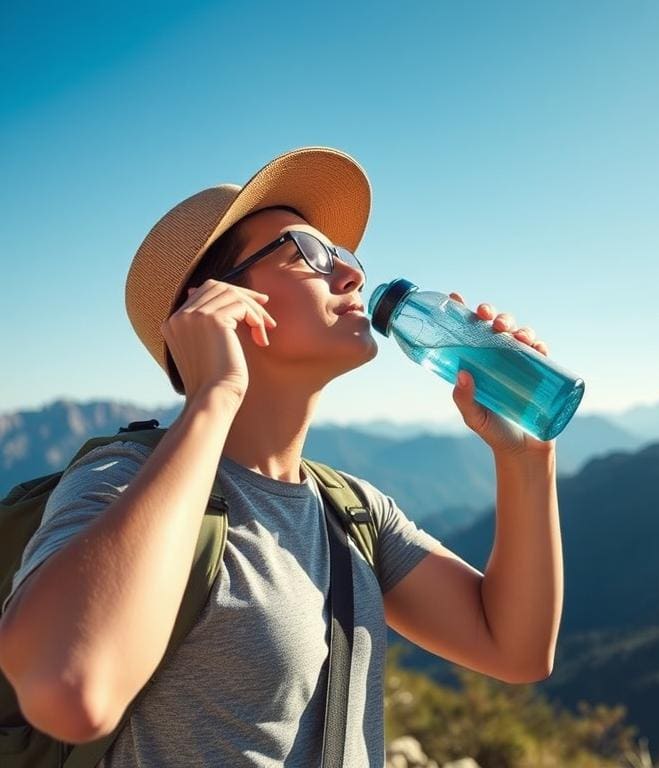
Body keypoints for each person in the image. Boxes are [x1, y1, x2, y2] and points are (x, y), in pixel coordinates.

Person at [0, 146, 563, 766]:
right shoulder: (121, 481)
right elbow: (68, 690)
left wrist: (526, 458)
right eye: (310, 253)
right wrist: (213, 396)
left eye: (344, 255)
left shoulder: (350, 511)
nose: (351, 274)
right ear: (213, 302)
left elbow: (515, 648)